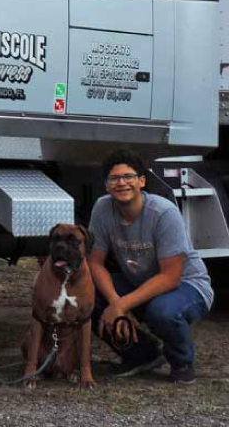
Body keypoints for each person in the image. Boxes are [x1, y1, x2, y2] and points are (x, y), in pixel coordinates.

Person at [88, 149, 213, 384]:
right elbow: (95, 263)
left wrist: (121, 305)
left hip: (187, 285)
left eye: (129, 176)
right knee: (87, 296)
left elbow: (170, 277)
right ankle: (142, 355)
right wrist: (116, 303)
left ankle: (182, 361)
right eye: (114, 178)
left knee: (162, 312)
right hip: (141, 282)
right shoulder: (102, 209)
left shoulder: (163, 212)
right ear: (106, 185)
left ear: (142, 181)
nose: (122, 183)